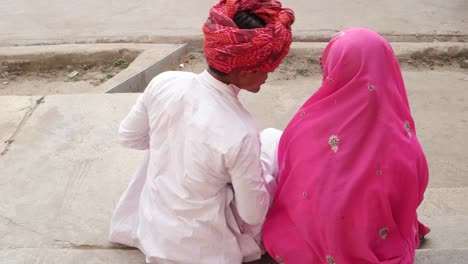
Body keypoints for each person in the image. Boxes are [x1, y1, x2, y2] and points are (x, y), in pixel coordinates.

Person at [109, 0, 294, 263]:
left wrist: (181, 148)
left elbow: (129, 137)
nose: (268, 77)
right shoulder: (240, 130)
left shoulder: (165, 82)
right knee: (274, 142)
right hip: (206, 248)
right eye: (266, 70)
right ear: (245, 70)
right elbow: (253, 215)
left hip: (153, 231)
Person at [262, 28, 430, 264]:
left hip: (309, 239)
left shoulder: (304, 127)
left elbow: (292, 186)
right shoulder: (403, 139)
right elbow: (414, 192)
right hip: (374, 238)